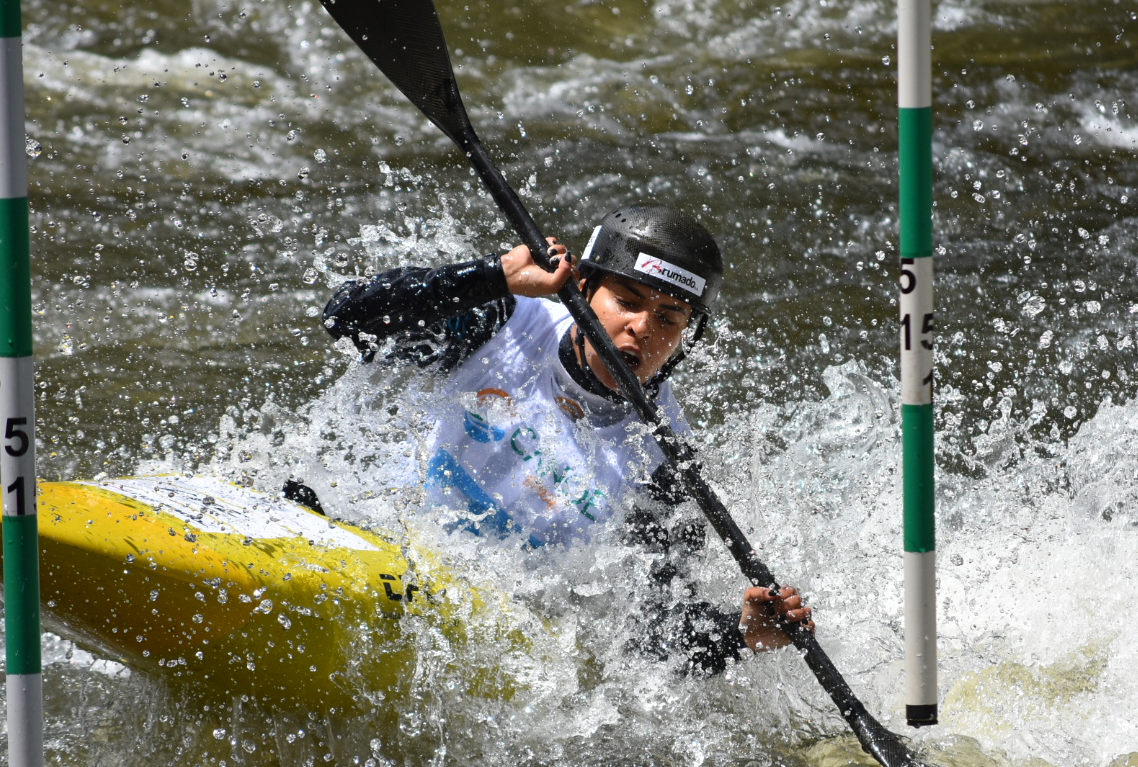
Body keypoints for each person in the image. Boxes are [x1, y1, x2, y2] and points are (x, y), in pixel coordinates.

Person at [321, 205, 810, 673]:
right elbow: (345, 319)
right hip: (379, 534)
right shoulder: (505, 323)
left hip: (484, 619)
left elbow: (647, 641)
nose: (642, 327)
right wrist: (490, 276)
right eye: (627, 301)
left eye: (669, 317)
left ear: (687, 337)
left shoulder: (665, 464)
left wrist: (739, 634)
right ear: (582, 287)